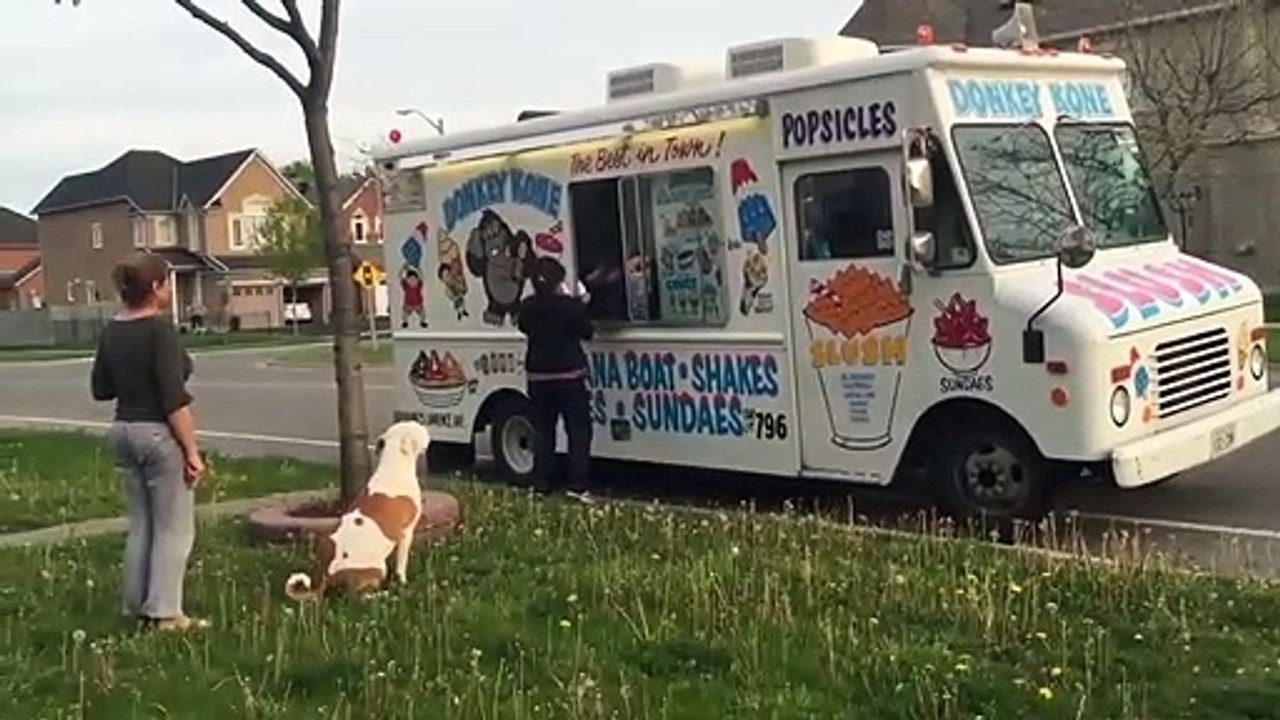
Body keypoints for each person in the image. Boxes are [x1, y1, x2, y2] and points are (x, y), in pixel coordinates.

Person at [90, 252, 208, 633]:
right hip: (158, 434)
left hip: (124, 430)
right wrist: (192, 452)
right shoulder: (159, 332)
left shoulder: (112, 331)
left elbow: (100, 388)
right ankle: (166, 613)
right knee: (174, 527)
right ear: (156, 287)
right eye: (167, 283)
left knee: (143, 523)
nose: (170, 290)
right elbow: (174, 400)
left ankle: (136, 605)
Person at [517, 256, 594, 497]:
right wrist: (582, 302)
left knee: (543, 431)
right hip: (569, 377)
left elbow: (524, 326)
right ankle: (577, 485)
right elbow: (587, 332)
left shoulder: (528, 307)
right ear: (559, 280)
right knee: (578, 431)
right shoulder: (571, 307)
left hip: (538, 378)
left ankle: (541, 485)